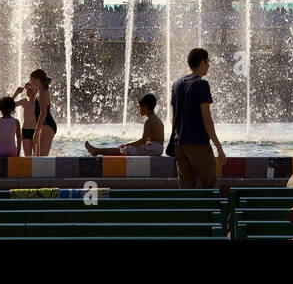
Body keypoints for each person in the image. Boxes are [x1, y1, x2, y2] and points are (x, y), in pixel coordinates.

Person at [168, 48, 225, 189]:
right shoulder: (201, 84)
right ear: (202, 62)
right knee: (210, 184)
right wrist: (218, 146)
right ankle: (212, 211)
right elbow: (207, 119)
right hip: (197, 143)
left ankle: (188, 211)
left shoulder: (176, 84)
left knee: (186, 188)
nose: (209, 65)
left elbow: (173, 117)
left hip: (179, 144)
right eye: (208, 62)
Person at [84, 93, 165, 156]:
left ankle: (96, 151)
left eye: (140, 107)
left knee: (124, 149)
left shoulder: (149, 121)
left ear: (146, 107)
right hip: (157, 149)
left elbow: (143, 140)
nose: (139, 109)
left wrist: (127, 144)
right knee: (128, 148)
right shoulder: (156, 119)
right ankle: (98, 150)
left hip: (153, 149)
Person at [18, 69, 56, 156]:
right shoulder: (40, 92)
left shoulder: (42, 93)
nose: (30, 82)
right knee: (38, 156)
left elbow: (43, 113)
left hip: (47, 125)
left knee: (42, 156)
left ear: (37, 79)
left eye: (31, 80)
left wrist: (36, 131)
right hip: (44, 125)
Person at [11, 82, 37, 152]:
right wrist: (16, 93)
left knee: (37, 156)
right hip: (26, 130)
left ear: (35, 89)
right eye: (26, 89)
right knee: (27, 155)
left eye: (30, 89)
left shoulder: (38, 101)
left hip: (36, 130)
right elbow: (9, 105)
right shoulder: (24, 101)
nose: (28, 91)